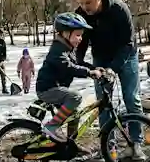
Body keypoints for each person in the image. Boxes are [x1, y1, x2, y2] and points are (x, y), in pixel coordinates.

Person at [75, 0, 145, 161]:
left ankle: (136, 144)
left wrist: (113, 69)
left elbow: (128, 43)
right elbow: (81, 42)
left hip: (126, 55)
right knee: (103, 102)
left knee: (131, 98)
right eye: (81, 3)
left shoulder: (119, 10)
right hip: (101, 58)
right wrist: (79, 61)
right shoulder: (81, 14)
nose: (85, 7)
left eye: (88, 2)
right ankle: (108, 147)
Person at [35, 12, 103, 142]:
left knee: (75, 114)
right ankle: (52, 126)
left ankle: (71, 144)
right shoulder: (57, 50)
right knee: (75, 96)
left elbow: (77, 63)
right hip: (47, 89)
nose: (81, 39)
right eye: (78, 35)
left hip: (57, 88)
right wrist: (89, 73)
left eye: (81, 35)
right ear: (66, 33)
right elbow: (69, 67)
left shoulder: (67, 49)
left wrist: (94, 69)